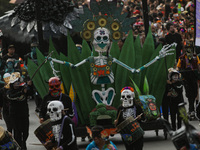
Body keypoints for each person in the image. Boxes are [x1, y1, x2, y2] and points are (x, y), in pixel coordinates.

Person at [6, 72, 34, 150]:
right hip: (15, 116)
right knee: (17, 133)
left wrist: (30, 86)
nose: (16, 84)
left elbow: (31, 93)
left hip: (24, 114)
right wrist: (22, 92)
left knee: (25, 132)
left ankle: (23, 143)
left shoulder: (24, 89)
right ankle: (19, 147)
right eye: (14, 83)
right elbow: (11, 97)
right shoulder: (9, 92)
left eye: (17, 82)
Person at [177, 41, 200, 120]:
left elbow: (198, 66)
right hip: (186, 79)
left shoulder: (195, 57)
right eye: (187, 48)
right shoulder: (182, 58)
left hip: (193, 78)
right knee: (189, 95)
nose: (189, 50)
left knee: (194, 94)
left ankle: (192, 110)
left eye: (190, 48)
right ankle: (191, 110)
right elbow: (178, 68)